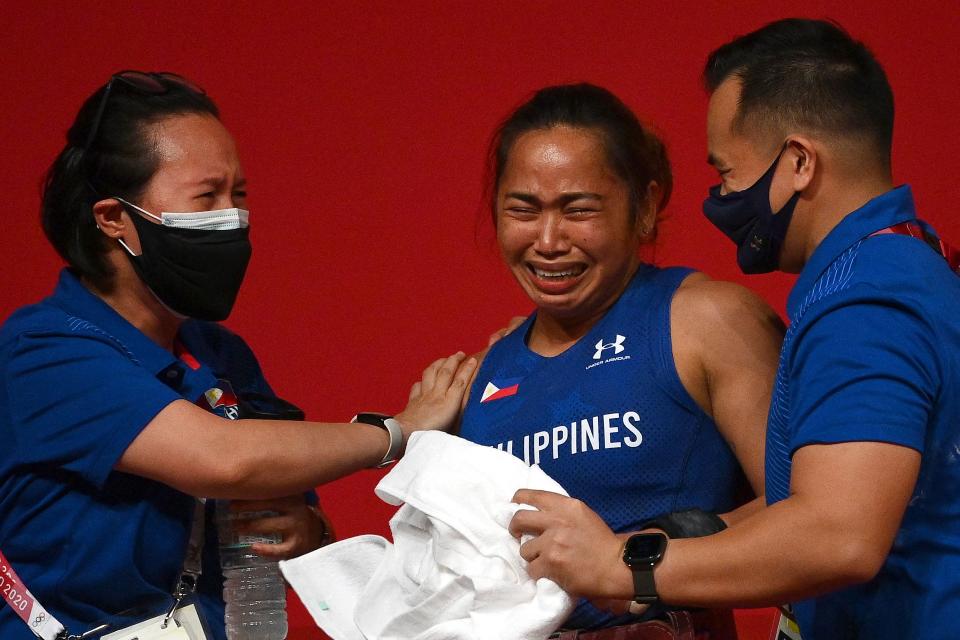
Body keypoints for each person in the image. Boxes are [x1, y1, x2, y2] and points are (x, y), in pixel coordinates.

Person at [509, 18, 960, 640]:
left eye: (727, 172)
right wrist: (663, 545)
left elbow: (839, 536)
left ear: (798, 161)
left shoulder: (865, 299)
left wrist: (622, 568)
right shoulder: (907, 263)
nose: (722, 195)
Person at [0, 70, 476, 640]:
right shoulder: (43, 349)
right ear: (113, 218)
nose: (233, 217)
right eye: (208, 197)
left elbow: (282, 498)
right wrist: (397, 432)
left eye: (240, 195)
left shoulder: (220, 353)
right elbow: (225, 460)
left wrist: (308, 530)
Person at [457, 83, 784, 635]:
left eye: (578, 209)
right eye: (522, 209)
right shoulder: (485, 371)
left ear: (646, 206)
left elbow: (811, 517)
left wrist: (635, 561)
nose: (548, 240)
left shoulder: (708, 320)